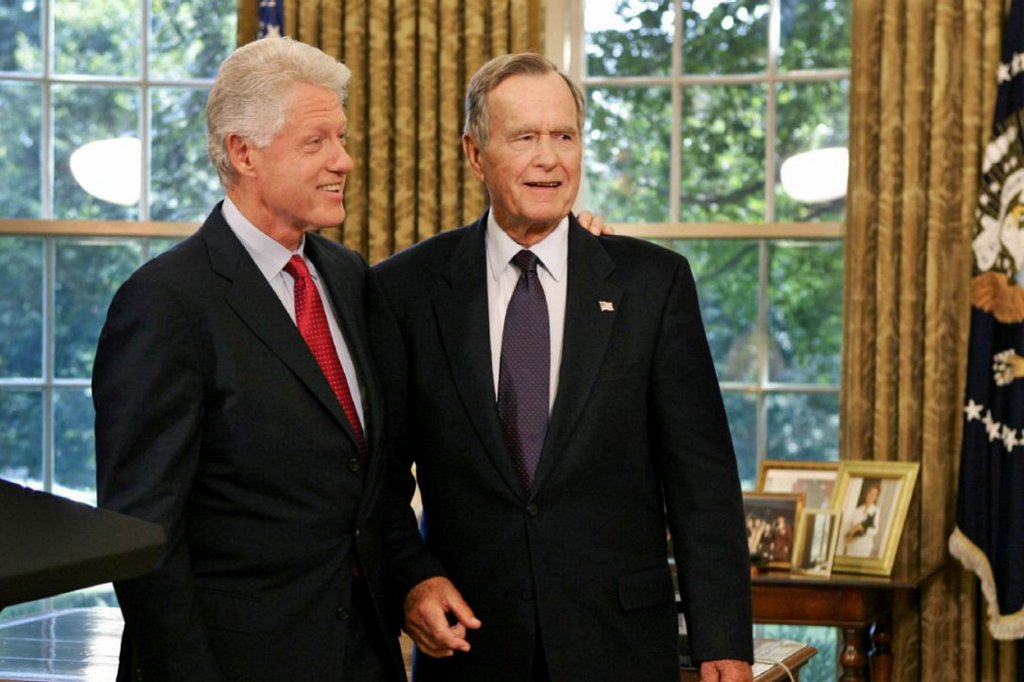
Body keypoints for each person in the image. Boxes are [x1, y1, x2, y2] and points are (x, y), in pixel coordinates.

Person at [371, 52, 754, 682]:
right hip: (471, 649)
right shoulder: (405, 290)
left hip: (620, 647)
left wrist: (724, 642)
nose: (549, 158)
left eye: (565, 136)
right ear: (475, 154)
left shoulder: (653, 284)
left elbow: (702, 483)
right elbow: (376, 481)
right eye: (524, 137)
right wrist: (412, 579)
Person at [93, 36, 451, 681]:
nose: (344, 160)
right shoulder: (165, 302)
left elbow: (366, 486)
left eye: (341, 138)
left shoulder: (347, 277)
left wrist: (411, 580)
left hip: (361, 658)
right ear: (243, 153)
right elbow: (147, 539)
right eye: (316, 142)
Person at [843, 480, 882, 558]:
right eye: (870, 493)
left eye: (874, 495)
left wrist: (862, 528)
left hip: (865, 546)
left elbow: (875, 530)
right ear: (866, 494)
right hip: (853, 545)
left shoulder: (876, 511)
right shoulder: (857, 510)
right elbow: (850, 528)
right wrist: (851, 534)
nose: (871, 496)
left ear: (876, 497)